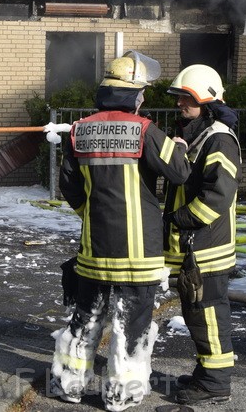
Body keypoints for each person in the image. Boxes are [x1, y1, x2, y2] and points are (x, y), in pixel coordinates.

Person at [50, 51, 191, 412]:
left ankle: (69, 385)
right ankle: (120, 395)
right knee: (131, 326)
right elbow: (179, 173)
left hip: (93, 251)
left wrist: (90, 214)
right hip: (138, 253)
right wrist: (178, 148)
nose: (144, 98)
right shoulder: (145, 130)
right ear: (132, 96)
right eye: (141, 92)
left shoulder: (80, 130)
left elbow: (68, 186)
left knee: (86, 320)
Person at [162, 64, 241, 406]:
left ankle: (215, 383)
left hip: (206, 247)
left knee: (208, 315)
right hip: (196, 246)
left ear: (207, 103)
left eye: (187, 100)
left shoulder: (219, 138)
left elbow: (218, 194)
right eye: (179, 99)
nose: (180, 105)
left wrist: (181, 219)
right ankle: (207, 374)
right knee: (199, 315)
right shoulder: (198, 134)